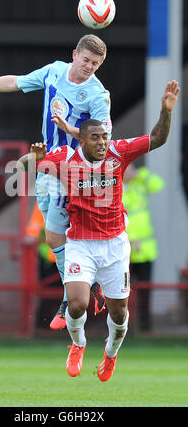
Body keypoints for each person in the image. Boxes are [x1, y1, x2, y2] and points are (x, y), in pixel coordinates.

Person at [18, 80, 180, 381]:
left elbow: (157, 138)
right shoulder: (65, 159)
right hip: (80, 242)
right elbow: (22, 165)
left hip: (115, 245)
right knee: (78, 303)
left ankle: (110, 354)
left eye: (106, 136)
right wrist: (35, 158)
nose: (103, 142)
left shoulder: (119, 152)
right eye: (96, 138)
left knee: (118, 314)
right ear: (82, 140)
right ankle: (78, 345)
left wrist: (165, 111)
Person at [0, 34, 111, 329]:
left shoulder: (98, 95)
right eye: (86, 60)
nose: (89, 67)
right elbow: (15, 82)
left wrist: (69, 128)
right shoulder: (53, 72)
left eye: (96, 64)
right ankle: (90, 287)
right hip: (48, 166)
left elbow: (102, 140)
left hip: (74, 170)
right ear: (75, 54)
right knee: (52, 238)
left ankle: (77, 294)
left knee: (65, 235)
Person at [122, 164, 165, 331]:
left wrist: (140, 174)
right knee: (122, 290)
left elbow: (158, 184)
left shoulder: (140, 183)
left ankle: (145, 327)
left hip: (146, 251)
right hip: (125, 250)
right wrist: (131, 239)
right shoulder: (117, 188)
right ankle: (125, 326)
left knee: (145, 290)